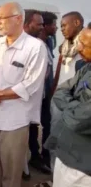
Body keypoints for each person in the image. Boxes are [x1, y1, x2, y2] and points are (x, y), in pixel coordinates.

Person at [0, 2, 48, 187]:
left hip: (14, 122)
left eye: (2, 18)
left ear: (18, 19)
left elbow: (30, 84)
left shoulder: (35, 47)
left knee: (11, 176)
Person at [43, 27, 91, 187]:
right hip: (66, 152)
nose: (79, 48)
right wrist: (77, 106)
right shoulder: (86, 67)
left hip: (82, 166)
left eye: (84, 45)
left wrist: (70, 108)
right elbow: (61, 91)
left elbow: (79, 120)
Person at [23, 9, 53, 175]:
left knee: (36, 128)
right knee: (21, 132)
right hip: (22, 97)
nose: (42, 27)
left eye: (43, 24)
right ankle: (23, 166)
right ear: (27, 24)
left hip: (40, 95)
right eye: (39, 24)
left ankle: (36, 157)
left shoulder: (44, 44)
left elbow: (47, 70)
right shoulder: (21, 46)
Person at [52, 11, 84, 92]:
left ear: (77, 23)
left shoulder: (87, 46)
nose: (62, 29)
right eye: (61, 27)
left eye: (64, 25)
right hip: (61, 94)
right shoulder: (64, 47)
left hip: (78, 95)